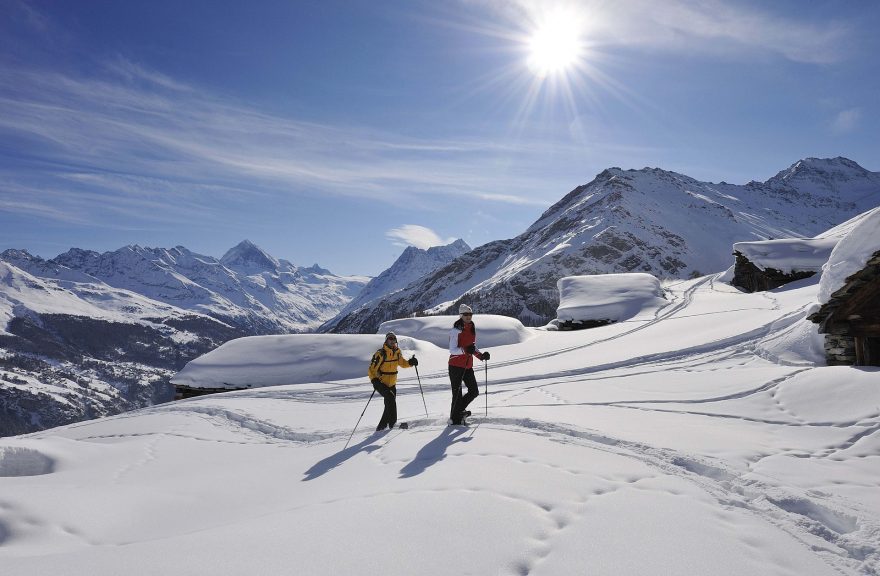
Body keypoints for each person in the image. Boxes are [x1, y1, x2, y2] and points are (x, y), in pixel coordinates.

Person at [448, 304, 490, 425]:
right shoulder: (455, 330)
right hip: (455, 365)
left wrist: (481, 356)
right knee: (457, 394)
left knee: (474, 391)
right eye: (466, 314)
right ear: (461, 315)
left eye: (470, 314)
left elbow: (472, 346)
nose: (468, 317)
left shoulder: (471, 327)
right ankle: (455, 420)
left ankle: (458, 412)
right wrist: (465, 350)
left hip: (467, 366)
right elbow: (452, 350)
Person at [368, 332, 418, 431]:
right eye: (390, 339)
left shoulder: (397, 352)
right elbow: (371, 370)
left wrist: (411, 362)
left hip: (392, 384)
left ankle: (382, 427)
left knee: (389, 404)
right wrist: (375, 381)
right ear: (386, 340)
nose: (392, 341)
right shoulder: (380, 354)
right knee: (390, 400)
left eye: (393, 339)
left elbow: (402, 363)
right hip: (381, 384)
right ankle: (392, 425)